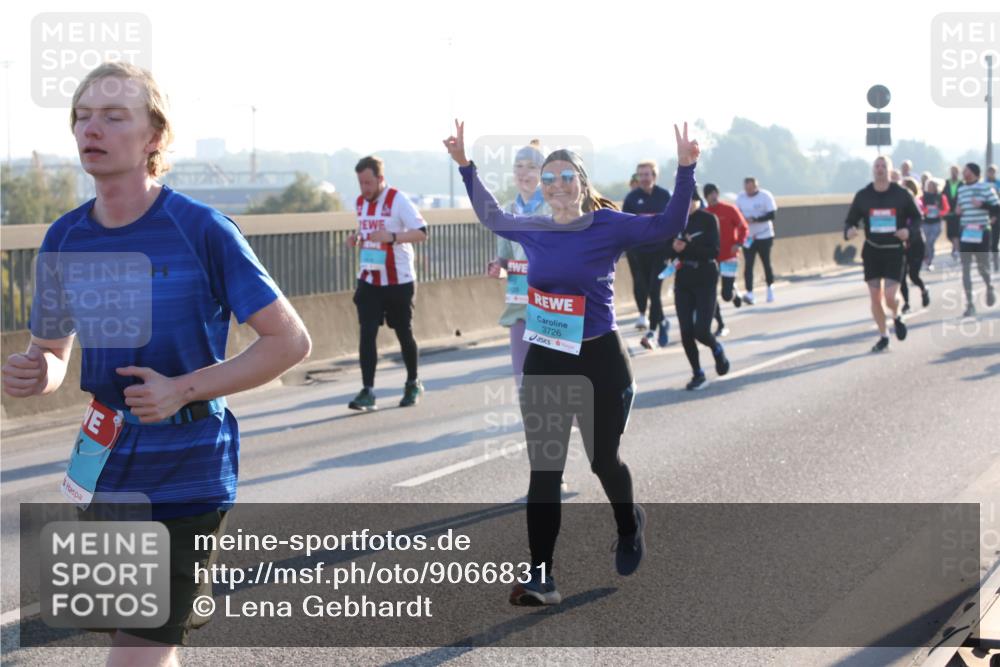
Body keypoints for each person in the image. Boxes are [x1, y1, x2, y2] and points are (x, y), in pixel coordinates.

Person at [1, 62, 312, 664]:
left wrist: (183, 390)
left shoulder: (201, 230)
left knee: (137, 651)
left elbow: (290, 342)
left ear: (154, 138)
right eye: (83, 116)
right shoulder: (64, 238)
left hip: (188, 467)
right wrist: (37, 372)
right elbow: (53, 354)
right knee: (136, 642)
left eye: (115, 116)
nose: (93, 128)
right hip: (104, 463)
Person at [443, 119, 698, 605]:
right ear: (541, 188)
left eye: (566, 176)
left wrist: (686, 170)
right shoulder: (534, 228)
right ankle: (542, 576)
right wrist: (465, 166)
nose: (557, 184)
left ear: (581, 184)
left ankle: (629, 523)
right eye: (549, 178)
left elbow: (668, 225)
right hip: (547, 356)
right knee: (545, 468)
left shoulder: (609, 225)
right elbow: (493, 216)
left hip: (600, 357)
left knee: (604, 461)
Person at [346, 156, 429, 411]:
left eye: (369, 183)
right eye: (361, 183)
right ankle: (367, 391)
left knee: (404, 332)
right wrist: (357, 237)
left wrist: (392, 237)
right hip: (369, 278)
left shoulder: (398, 200)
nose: (364, 188)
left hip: (398, 280)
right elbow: (367, 229)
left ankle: (413, 382)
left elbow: (422, 232)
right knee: (367, 333)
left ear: (381, 179)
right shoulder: (360, 202)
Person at [487, 140, 551, 383]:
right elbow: (505, 259)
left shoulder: (556, 207)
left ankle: (576, 420)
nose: (523, 173)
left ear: (544, 173)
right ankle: (534, 421)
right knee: (523, 379)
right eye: (518, 166)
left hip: (552, 304)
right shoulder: (507, 210)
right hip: (520, 305)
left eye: (531, 167)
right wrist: (498, 268)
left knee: (560, 378)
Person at [844, 155, 919, 352]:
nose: (879, 169)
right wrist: (850, 230)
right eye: (876, 166)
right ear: (873, 170)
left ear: (889, 169)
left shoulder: (901, 194)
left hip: (894, 250)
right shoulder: (863, 195)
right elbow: (850, 220)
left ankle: (896, 315)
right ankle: (884, 336)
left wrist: (908, 232)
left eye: (883, 166)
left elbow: (917, 218)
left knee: (889, 295)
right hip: (872, 251)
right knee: (875, 297)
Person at [665, 189, 730, 389]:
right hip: (683, 279)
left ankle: (717, 349)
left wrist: (687, 248)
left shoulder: (708, 220)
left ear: (697, 201)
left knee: (701, 331)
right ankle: (697, 373)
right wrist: (672, 249)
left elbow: (714, 251)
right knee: (686, 331)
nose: (686, 206)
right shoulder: (674, 221)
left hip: (706, 276)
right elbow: (665, 249)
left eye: (690, 201)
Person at [623, 159, 672, 345]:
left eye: (647, 174)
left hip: (660, 251)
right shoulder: (631, 198)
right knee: (644, 288)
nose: (643, 178)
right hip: (639, 252)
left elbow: (673, 221)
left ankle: (652, 331)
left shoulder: (664, 195)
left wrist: (671, 246)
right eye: (640, 175)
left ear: (654, 176)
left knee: (654, 289)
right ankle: (662, 321)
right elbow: (624, 225)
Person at [955, 162, 1000, 316]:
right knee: (965, 268)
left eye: (965, 170)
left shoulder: (986, 188)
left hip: (982, 232)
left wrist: (982, 204)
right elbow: (959, 209)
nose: (963, 172)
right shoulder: (961, 190)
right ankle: (970, 304)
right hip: (966, 232)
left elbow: (997, 207)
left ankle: (989, 286)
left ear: (973, 172)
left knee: (982, 267)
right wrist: (958, 211)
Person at [704, 183, 748, 337]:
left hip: (729, 256)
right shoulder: (705, 213)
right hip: (711, 259)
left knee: (726, 295)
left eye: (714, 193)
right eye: (709, 194)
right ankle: (721, 324)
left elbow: (744, 227)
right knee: (709, 293)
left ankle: (734, 293)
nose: (713, 196)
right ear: (705, 197)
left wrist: (739, 243)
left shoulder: (729, 210)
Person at [735, 176, 778, 304]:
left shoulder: (765, 196)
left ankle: (770, 287)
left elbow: (772, 214)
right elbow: (737, 214)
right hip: (748, 237)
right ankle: (750, 292)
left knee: (766, 262)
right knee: (748, 265)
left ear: (756, 186)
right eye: (746, 187)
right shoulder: (741, 198)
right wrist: (743, 220)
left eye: (751, 187)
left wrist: (756, 219)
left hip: (764, 235)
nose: (748, 190)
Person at [898, 177, 929, 311]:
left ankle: (923, 289)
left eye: (904, 188)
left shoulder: (916, 203)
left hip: (916, 243)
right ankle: (906, 303)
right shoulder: (897, 205)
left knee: (913, 276)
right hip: (902, 244)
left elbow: (917, 219)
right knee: (902, 275)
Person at [919, 178, 949, 270]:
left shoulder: (941, 197)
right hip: (925, 223)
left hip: (936, 223)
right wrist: (925, 211)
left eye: (932, 185)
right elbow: (920, 207)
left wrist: (940, 212)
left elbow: (946, 209)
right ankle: (927, 260)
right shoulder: (923, 197)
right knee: (927, 242)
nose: (930, 187)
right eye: (929, 185)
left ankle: (929, 260)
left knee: (930, 241)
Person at [943, 164, 963, 260]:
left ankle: (956, 249)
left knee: (956, 232)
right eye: (952, 171)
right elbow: (943, 197)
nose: (954, 173)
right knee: (949, 234)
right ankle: (955, 247)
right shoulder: (947, 183)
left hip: (958, 212)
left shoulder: (961, 183)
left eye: (955, 171)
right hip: (949, 212)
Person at [987, 164, 1000, 271]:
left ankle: (996, 262)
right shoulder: (984, 184)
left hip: (997, 213)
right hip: (987, 212)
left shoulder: (998, 183)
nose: (991, 174)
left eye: (993, 172)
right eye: (989, 171)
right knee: (989, 239)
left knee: (995, 239)